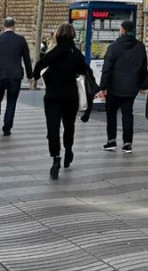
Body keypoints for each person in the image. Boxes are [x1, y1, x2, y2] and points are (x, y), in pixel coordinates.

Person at [32, 23, 94, 180]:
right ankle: (68, 150)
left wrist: (42, 73)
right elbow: (85, 71)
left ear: (57, 35)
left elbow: (37, 71)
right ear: (73, 36)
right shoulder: (76, 54)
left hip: (52, 97)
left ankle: (56, 158)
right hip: (70, 96)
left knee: (52, 128)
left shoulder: (52, 53)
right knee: (69, 125)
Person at [98, 20, 148, 153]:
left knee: (111, 114)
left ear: (123, 30)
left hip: (114, 87)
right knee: (127, 114)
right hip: (131, 87)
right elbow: (143, 67)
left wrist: (103, 86)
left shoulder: (114, 46)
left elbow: (107, 67)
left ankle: (111, 141)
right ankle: (127, 143)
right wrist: (143, 85)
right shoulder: (140, 47)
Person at [0, 17, 32, 137]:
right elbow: (27, 59)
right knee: (11, 102)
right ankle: (7, 128)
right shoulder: (21, 40)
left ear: (3, 26)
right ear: (14, 26)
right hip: (15, 75)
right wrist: (30, 75)